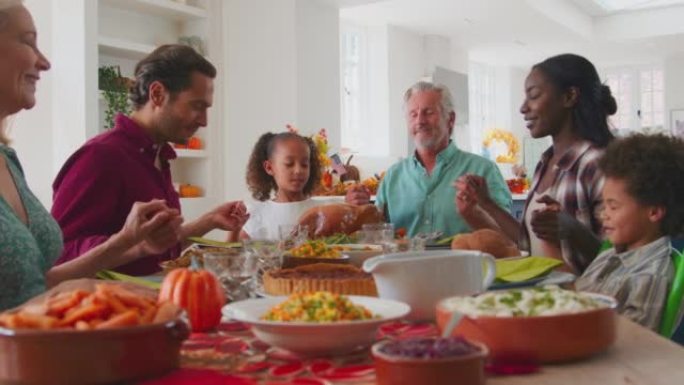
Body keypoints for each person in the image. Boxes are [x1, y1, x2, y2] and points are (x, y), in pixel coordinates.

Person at [0, 1, 182, 310]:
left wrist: (127, 244)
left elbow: (35, 284)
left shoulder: (8, 160)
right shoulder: (101, 155)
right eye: (28, 41)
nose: (45, 62)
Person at [51, 44, 249, 276]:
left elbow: (156, 246)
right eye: (197, 106)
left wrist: (208, 221)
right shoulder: (100, 156)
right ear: (157, 94)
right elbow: (60, 254)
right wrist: (136, 246)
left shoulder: (158, 155)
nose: (204, 121)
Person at [455, 54, 615, 273]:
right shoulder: (546, 161)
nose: (523, 108)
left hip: (581, 300)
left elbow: (621, 261)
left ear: (569, 96)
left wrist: (573, 231)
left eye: (534, 96)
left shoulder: (597, 164)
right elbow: (526, 242)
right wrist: (486, 202)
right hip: (543, 298)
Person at [346, 81, 511, 238]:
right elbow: (377, 237)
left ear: (450, 120)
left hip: (465, 267)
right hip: (406, 267)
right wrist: (357, 211)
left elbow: (508, 238)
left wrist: (475, 214)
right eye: (413, 114)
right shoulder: (392, 177)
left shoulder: (484, 170)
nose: (420, 121)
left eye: (428, 112)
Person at [575, 134, 684, 331]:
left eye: (613, 207)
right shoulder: (608, 256)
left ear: (654, 212)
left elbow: (633, 342)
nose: (603, 215)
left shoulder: (651, 276)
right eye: (604, 205)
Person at [240, 131, 322, 240]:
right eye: (289, 164)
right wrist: (235, 227)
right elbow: (234, 252)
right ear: (269, 167)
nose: (298, 171)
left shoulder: (322, 210)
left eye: (304, 164)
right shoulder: (257, 214)